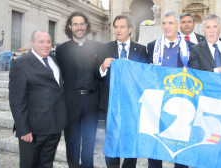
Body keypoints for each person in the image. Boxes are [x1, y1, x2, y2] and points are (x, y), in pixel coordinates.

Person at [9, 29, 66, 168]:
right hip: (33, 131)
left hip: (54, 126)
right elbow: (16, 100)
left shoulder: (53, 59)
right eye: (41, 41)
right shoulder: (21, 64)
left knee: (47, 164)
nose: (46, 45)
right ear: (32, 43)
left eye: (48, 41)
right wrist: (24, 129)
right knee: (30, 165)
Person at [147, 11, 194, 168]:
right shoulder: (152, 46)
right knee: (155, 145)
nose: (167, 27)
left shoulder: (191, 47)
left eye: (171, 23)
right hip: (157, 103)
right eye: (164, 23)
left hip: (182, 103)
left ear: (179, 25)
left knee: (180, 148)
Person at [100, 15, 148, 168]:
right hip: (111, 103)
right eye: (116, 27)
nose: (118, 30)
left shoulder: (140, 49)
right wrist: (103, 67)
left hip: (132, 104)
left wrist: (133, 67)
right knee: (112, 139)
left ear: (130, 29)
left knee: (130, 139)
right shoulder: (105, 48)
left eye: (122, 27)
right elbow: (97, 76)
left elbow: (145, 76)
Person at [55, 11, 102, 168]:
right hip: (71, 101)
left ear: (87, 26)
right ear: (70, 26)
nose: (79, 27)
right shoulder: (61, 50)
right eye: (75, 24)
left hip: (91, 101)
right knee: (72, 140)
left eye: (82, 24)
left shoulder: (97, 47)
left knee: (90, 140)